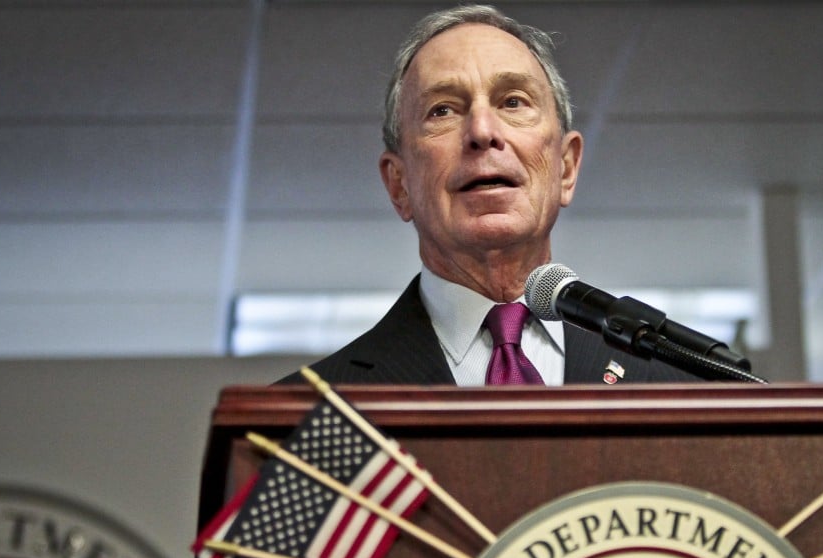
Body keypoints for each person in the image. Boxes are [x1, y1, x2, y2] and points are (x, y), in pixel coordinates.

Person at [278, 4, 698, 386]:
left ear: (566, 168)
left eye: (513, 102)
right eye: (442, 110)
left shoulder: (682, 384)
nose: (482, 132)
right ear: (399, 185)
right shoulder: (307, 417)